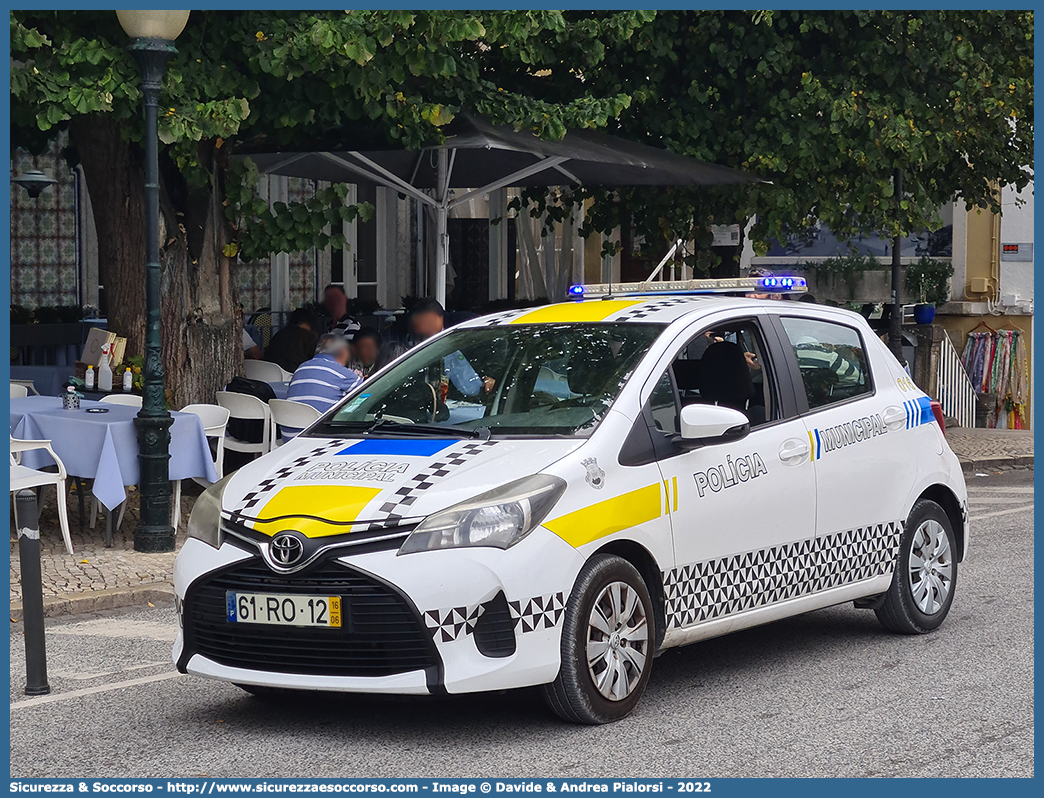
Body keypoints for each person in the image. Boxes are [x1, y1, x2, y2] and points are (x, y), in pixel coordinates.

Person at [409, 298, 494, 396]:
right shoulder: (417, 337)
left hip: (482, 391)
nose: (423, 330)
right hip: (449, 397)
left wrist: (491, 373)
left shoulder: (464, 324)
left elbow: (497, 341)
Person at [285, 334, 362, 429]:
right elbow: (367, 395)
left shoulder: (301, 368)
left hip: (290, 436)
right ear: (342, 352)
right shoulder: (342, 373)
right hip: (319, 436)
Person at [263, 307, 318, 374]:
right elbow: (315, 357)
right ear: (309, 322)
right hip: (296, 373)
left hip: (273, 373)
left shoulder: (279, 334)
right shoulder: (308, 336)